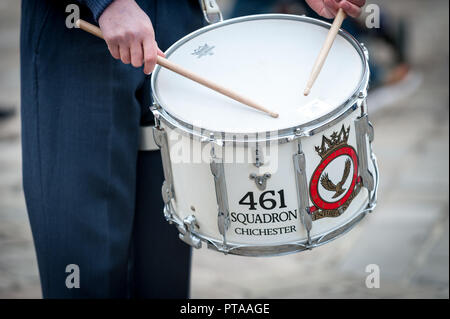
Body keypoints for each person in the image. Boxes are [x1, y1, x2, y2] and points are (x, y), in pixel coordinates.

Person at [20, 0, 365, 298]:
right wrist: (108, 3)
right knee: (85, 266)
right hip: (79, 31)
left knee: (164, 263)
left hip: (178, 25)